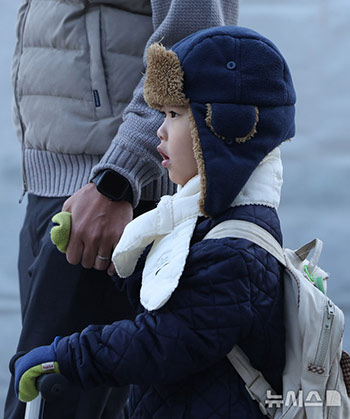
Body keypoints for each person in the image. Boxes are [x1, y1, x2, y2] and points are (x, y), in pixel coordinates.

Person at [13, 25, 296, 418]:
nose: (159, 129)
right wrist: (120, 260)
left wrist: (67, 357)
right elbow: (167, 299)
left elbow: (162, 342)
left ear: (223, 129)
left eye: (175, 114)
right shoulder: (203, 222)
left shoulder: (235, 249)